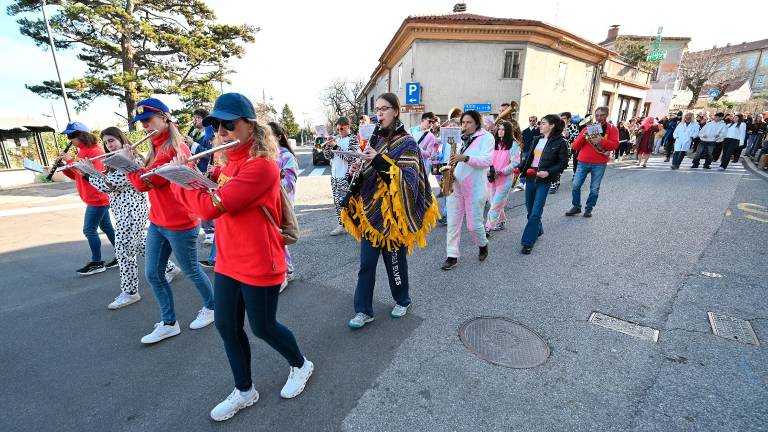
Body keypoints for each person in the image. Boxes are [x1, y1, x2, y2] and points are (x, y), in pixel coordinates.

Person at [170, 92, 313, 421]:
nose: (221, 132)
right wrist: (189, 173)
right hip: (229, 261)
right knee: (226, 325)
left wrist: (178, 181)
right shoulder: (226, 163)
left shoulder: (261, 168)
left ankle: (301, 365)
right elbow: (208, 191)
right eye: (217, 126)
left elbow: (207, 208)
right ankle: (245, 390)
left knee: (263, 327)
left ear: (250, 126)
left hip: (260, 262)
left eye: (229, 125)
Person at [341, 92, 439, 328]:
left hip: (395, 218)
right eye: (377, 109)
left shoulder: (407, 143)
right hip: (371, 214)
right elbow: (370, 173)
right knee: (366, 265)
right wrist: (358, 168)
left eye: (384, 109)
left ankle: (402, 299)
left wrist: (379, 161)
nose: (379, 114)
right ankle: (363, 310)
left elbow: (408, 181)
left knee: (395, 263)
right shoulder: (373, 140)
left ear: (396, 111)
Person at [126, 97, 215, 344]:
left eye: (148, 120)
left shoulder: (174, 151)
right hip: (157, 220)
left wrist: (128, 166)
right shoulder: (155, 147)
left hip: (180, 222)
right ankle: (168, 323)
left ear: (165, 118)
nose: (144, 126)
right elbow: (144, 178)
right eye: (141, 122)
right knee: (153, 273)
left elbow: (141, 184)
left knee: (191, 270)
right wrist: (134, 162)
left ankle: (212, 306)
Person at [88, 127, 180, 309]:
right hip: (122, 211)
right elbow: (108, 182)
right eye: (106, 143)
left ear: (122, 139)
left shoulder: (132, 159)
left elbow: (111, 185)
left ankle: (130, 292)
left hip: (131, 212)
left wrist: (87, 174)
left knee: (123, 252)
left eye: (112, 140)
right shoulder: (114, 160)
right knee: (139, 245)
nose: (109, 145)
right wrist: (89, 171)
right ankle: (170, 268)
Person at [57, 122, 117, 275]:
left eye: (72, 136)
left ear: (82, 135)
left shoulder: (95, 151)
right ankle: (121, 254)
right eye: (69, 137)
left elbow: (94, 174)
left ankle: (97, 262)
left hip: (98, 197)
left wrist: (71, 162)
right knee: (107, 228)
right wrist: (65, 166)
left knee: (89, 230)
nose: (70, 140)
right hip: (94, 197)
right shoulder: (82, 152)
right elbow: (78, 176)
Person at [441, 110, 494, 270]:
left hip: (475, 187)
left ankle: (482, 244)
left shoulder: (487, 138)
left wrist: (464, 158)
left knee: (474, 225)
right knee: (453, 223)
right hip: (455, 185)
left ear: (477, 123)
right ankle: (452, 256)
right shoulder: (457, 138)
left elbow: (487, 160)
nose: (464, 126)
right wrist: (447, 171)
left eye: (469, 122)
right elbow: (448, 158)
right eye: (463, 123)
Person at [518, 115, 569, 254]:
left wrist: (548, 172)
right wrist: (518, 167)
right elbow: (529, 158)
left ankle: (527, 242)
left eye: (543, 123)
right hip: (530, 177)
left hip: (544, 180)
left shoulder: (561, 142)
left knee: (535, 212)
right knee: (530, 210)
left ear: (552, 125)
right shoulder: (537, 139)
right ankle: (537, 230)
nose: (540, 125)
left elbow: (563, 162)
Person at [566, 107, 619, 218]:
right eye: (597, 115)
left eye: (602, 115)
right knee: (575, 185)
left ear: (606, 115)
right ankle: (576, 206)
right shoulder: (589, 128)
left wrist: (601, 140)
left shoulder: (613, 129)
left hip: (599, 163)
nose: (599, 118)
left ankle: (589, 208)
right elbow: (575, 146)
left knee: (594, 188)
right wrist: (584, 133)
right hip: (583, 161)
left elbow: (614, 145)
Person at [268, 122, 299, 290]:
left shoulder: (286, 156)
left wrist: (271, 181)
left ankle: (287, 271)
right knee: (274, 237)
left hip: (283, 202)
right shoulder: (267, 154)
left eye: (270, 135)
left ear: (279, 137)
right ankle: (283, 269)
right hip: (270, 202)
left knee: (280, 237)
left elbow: (289, 181)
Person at [323, 117, 360, 236]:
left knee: (343, 201)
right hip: (334, 175)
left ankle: (344, 225)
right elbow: (328, 157)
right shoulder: (336, 139)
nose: (339, 131)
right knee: (336, 201)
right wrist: (328, 146)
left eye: (342, 128)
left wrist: (335, 146)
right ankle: (343, 223)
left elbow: (351, 157)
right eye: (338, 129)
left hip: (345, 175)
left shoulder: (353, 139)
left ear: (348, 127)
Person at [485, 119, 521, 232]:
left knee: (495, 204)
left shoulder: (514, 145)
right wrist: (488, 171)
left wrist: (501, 171)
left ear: (508, 131)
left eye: (503, 130)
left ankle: (487, 228)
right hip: (491, 178)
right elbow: (486, 159)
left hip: (504, 180)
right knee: (493, 202)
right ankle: (501, 221)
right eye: (499, 129)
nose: (500, 131)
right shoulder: (493, 143)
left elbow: (515, 162)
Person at [518, 116, 539, 191]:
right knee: (524, 166)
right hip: (526, 151)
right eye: (530, 120)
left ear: (536, 121)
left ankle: (530, 182)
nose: (532, 122)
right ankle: (521, 182)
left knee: (533, 167)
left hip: (535, 152)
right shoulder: (524, 131)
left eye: (534, 120)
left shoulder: (538, 131)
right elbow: (521, 142)